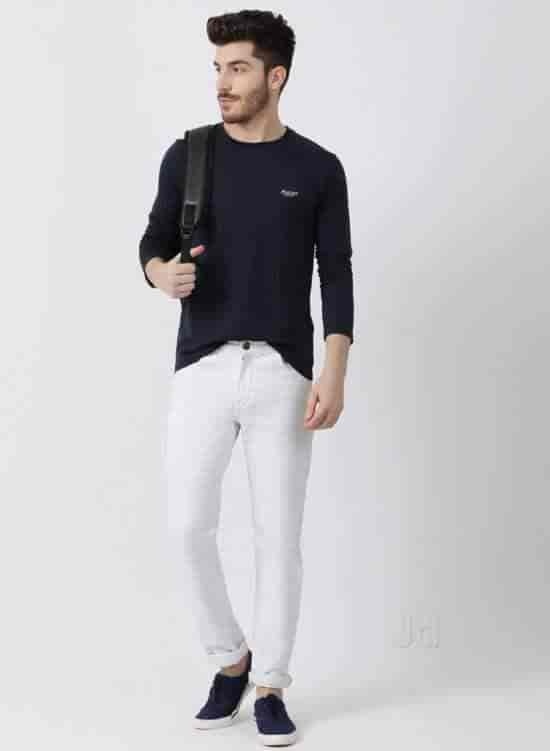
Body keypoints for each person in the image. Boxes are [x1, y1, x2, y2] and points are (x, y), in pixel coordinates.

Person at [138, 10, 354, 747]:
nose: (222, 82)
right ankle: (231, 657)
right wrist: (159, 272)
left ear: (275, 76)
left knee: (278, 536)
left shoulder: (317, 169)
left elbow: (336, 273)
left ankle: (272, 685)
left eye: (237, 68)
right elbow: (152, 240)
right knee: (186, 524)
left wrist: (334, 368)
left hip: (284, 371)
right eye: (218, 69)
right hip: (202, 362)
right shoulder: (189, 155)